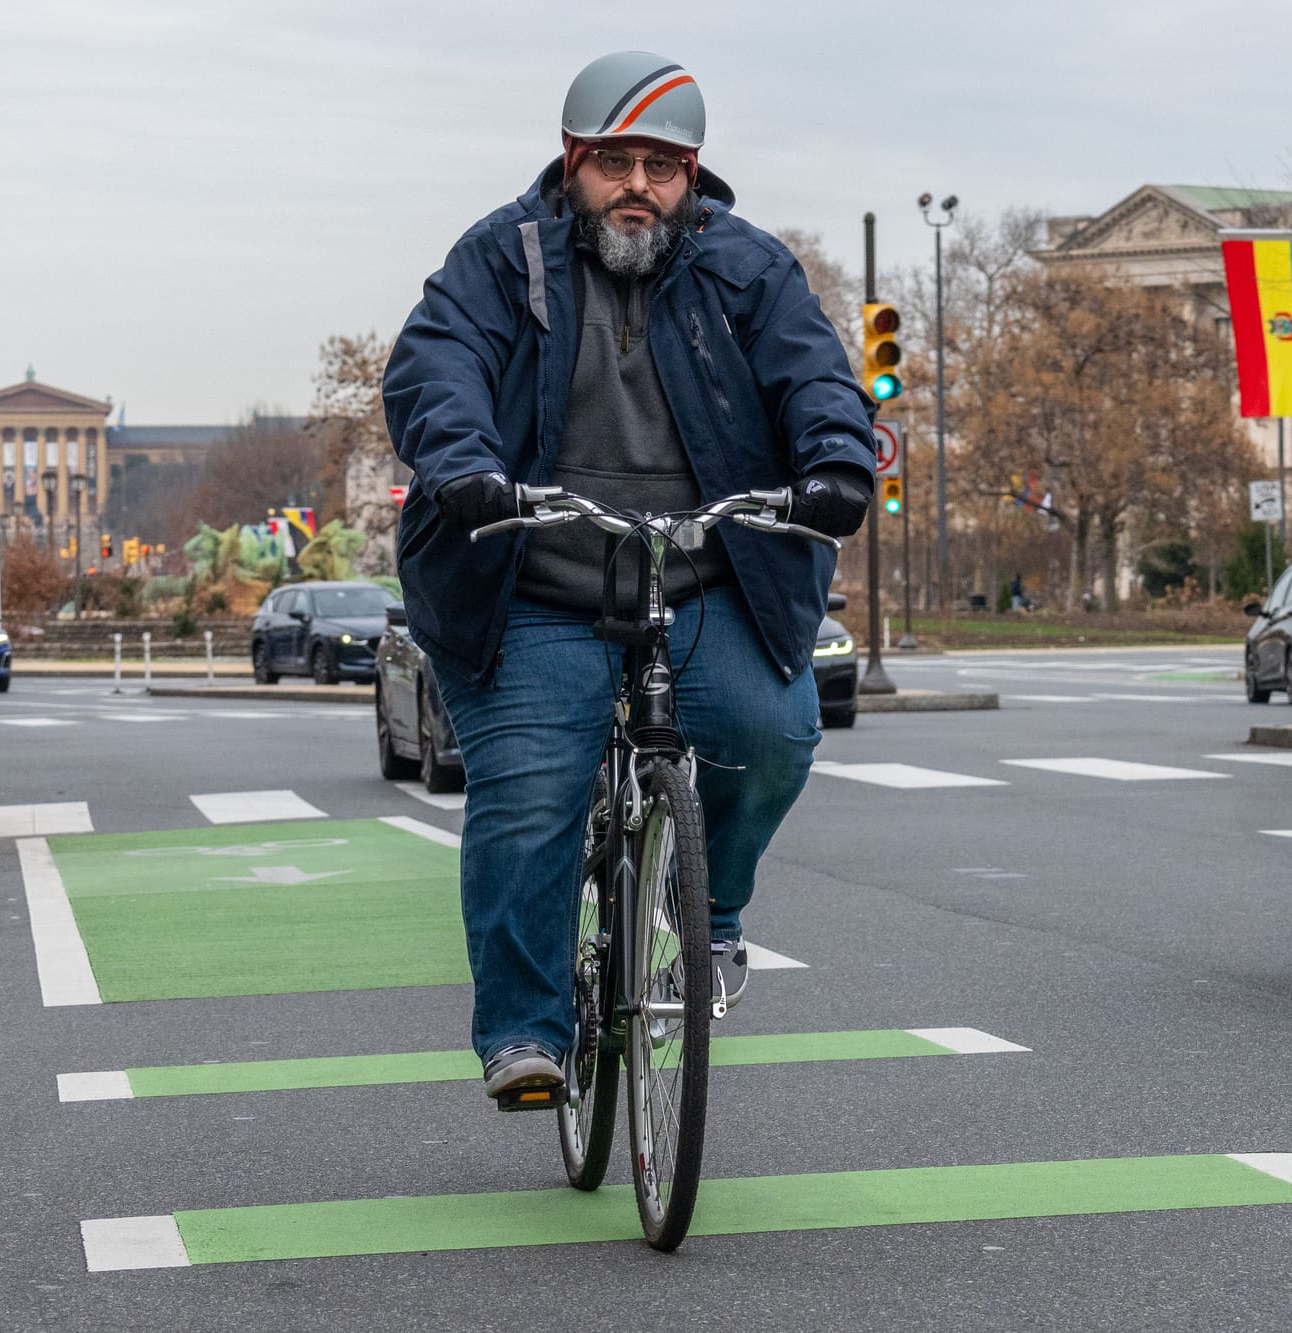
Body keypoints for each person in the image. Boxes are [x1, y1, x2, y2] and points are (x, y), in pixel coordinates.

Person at [383, 52, 875, 1103]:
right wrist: (464, 466)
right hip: (532, 582)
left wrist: (837, 463)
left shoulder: (748, 268)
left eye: (662, 165)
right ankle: (525, 1033)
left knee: (771, 733)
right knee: (526, 800)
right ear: (572, 163)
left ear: (691, 175)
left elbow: (815, 375)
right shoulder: (498, 260)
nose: (638, 187)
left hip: (699, 575)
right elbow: (438, 364)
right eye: (616, 163)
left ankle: (715, 912)